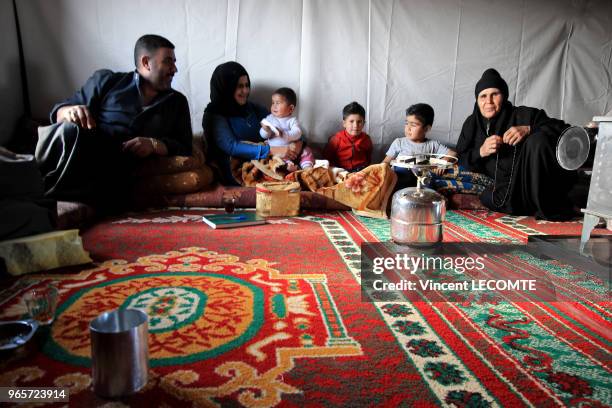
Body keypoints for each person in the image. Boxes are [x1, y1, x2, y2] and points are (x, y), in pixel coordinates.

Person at [35, 34, 192, 208]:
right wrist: (68, 111)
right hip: (85, 152)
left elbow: (185, 146)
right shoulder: (107, 81)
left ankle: (47, 198)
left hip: (117, 171)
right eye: (168, 61)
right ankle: (43, 192)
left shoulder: (176, 102)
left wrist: (154, 144)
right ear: (146, 62)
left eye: (174, 62)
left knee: (110, 177)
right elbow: (60, 112)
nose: (175, 69)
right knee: (67, 130)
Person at [456, 68, 579, 220]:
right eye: (483, 96)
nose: (488, 101)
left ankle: (547, 205)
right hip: (504, 192)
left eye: (495, 94)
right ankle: (531, 206)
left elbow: (566, 132)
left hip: (534, 184)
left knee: (538, 139)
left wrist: (529, 129)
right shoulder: (471, 125)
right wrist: (481, 151)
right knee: (489, 196)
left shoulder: (525, 115)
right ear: (477, 100)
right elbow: (460, 159)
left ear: (504, 96)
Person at [203, 62, 301, 185]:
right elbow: (232, 146)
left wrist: (296, 146)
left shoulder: (253, 109)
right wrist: (272, 150)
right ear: (227, 88)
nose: (245, 91)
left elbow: (283, 125)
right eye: (239, 86)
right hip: (235, 170)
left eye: (247, 85)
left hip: (266, 163)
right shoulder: (214, 114)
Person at [259, 87, 314, 171]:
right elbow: (263, 136)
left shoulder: (292, 120)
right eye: (273, 103)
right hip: (276, 150)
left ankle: (307, 166)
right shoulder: (270, 119)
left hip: (292, 149)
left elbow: (298, 132)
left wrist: (285, 134)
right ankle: (289, 167)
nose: (274, 106)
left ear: (290, 108)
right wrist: (266, 130)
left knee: (306, 151)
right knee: (275, 160)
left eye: (278, 103)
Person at [324, 102, 373, 172]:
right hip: (341, 170)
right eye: (351, 121)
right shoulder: (336, 139)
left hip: (361, 170)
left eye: (359, 122)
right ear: (344, 123)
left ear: (363, 124)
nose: (355, 125)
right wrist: (334, 170)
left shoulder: (366, 139)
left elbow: (368, 157)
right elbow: (327, 158)